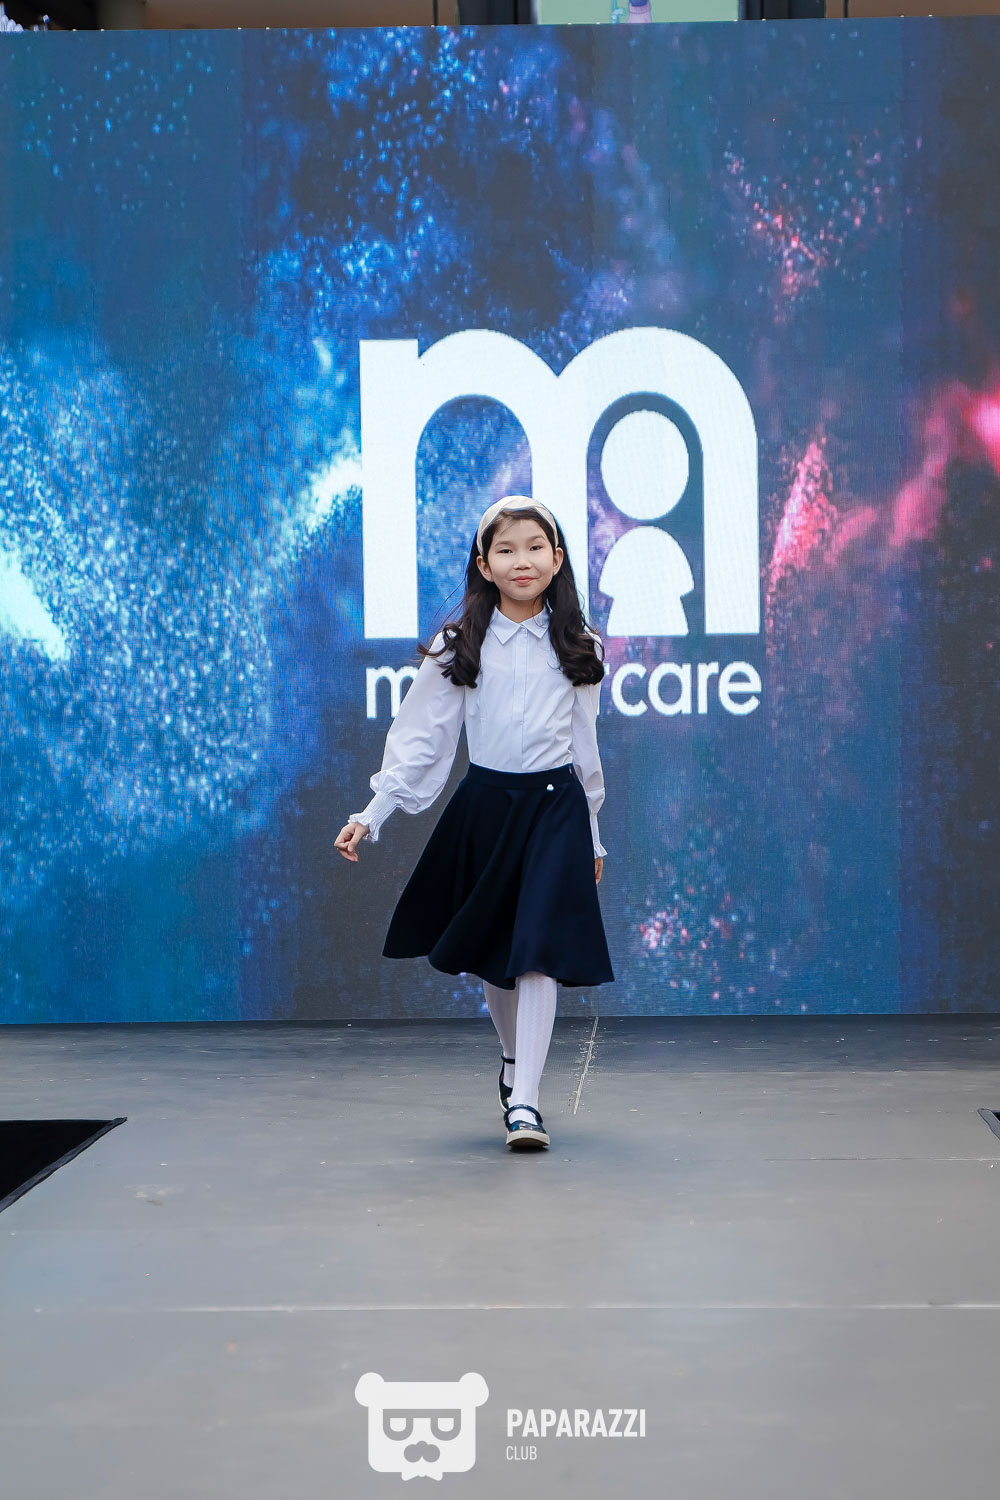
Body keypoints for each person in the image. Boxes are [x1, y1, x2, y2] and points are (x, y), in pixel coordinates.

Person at [335, 495, 614, 1151]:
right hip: (488, 805)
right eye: (506, 550)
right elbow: (420, 739)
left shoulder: (580, 644)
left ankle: (527, 1103)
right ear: (484, 565)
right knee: (497, 951)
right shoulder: (458, 645)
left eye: (535, 547)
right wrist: (372, 813)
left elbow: (585, 745)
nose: (523, 561)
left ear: (558, 559)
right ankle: (513, 1058)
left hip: (556, 807)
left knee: (538, 952)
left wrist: (593, 833)